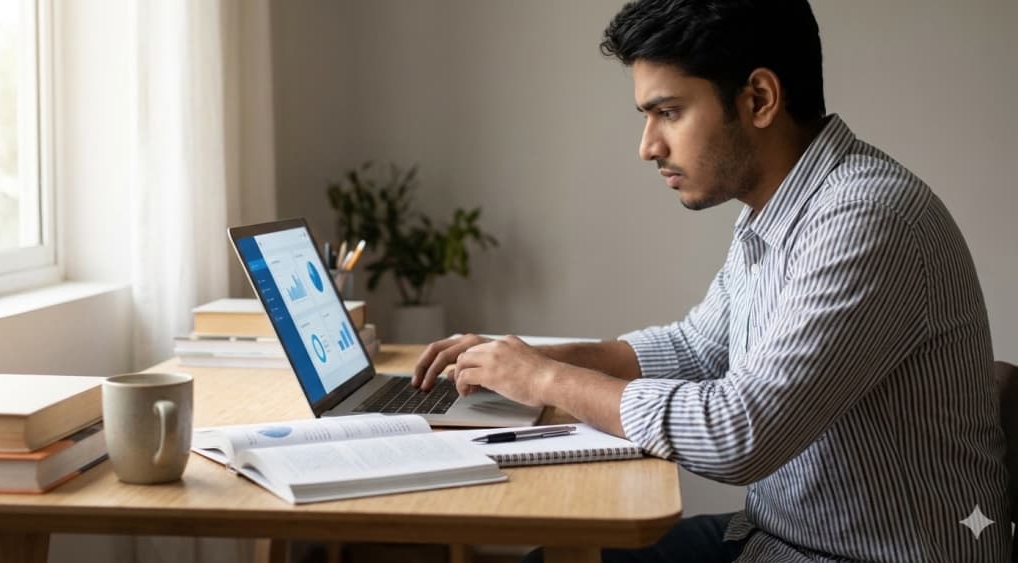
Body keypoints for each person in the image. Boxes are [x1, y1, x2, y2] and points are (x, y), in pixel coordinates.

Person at [412, 0, 1010, 561]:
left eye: (668, 112)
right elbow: (699, 348)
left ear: (759, 98)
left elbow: (738, 432)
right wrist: (524, 358)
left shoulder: (869, 219)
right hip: (774, 537)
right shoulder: (774, 210)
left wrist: (546, 378)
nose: (648, 147)